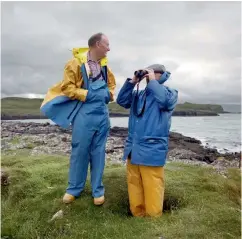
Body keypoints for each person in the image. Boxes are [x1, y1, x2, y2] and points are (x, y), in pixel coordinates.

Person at [40, 33, 116, 205]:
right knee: (80, 151)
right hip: (84, 114)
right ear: (97, 44)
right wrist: (87, 94)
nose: (109, 49)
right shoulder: (74, 63)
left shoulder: (104, 65)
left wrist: (108, 94)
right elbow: (67, 88)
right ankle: (74, 189)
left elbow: (112, 84)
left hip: (103, 115)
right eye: (107, 45)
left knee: (99, 153)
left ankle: (98, 190)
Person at [116, 64, 178, 217]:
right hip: (134, 147)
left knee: (153, 185)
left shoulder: (170, 92)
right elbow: (122, 101)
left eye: (150, 73)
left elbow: (165, 102)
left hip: (152, 148)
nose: (146, 76)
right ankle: (138, 215)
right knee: (134, 182)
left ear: (160, 75)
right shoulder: (140, 94)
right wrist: (132, 82)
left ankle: (154, 219)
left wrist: (153, 83)